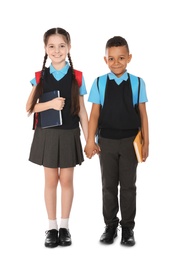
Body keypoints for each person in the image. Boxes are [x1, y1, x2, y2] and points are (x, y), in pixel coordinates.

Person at [26, 27, 88, 248]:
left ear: (69, 47)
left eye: (62, 45)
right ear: (45, 49)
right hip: (48, 134)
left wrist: (90, 139)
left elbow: (82, 111)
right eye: (51, 46)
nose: (57, 50)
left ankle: (65, 227)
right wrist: (50, 104)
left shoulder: (77, 76)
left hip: (70, 133)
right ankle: (51, 227)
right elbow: (30, 106)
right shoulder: (40, 77)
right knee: (51, 181)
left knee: (67, 181)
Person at [84, 36, 149, 246]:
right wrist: (89, 141)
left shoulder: (138, 83)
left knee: (129, 186)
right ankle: (110, 225)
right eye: (111, 58)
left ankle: (128, 227)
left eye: (121, 57)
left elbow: (143, 114)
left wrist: (146, 142)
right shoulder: (100, 82)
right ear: (105, 60)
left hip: (131, 141)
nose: (116, 62)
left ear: (129, 58)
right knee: (108, 186)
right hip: (106, 142)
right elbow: (94, 115)